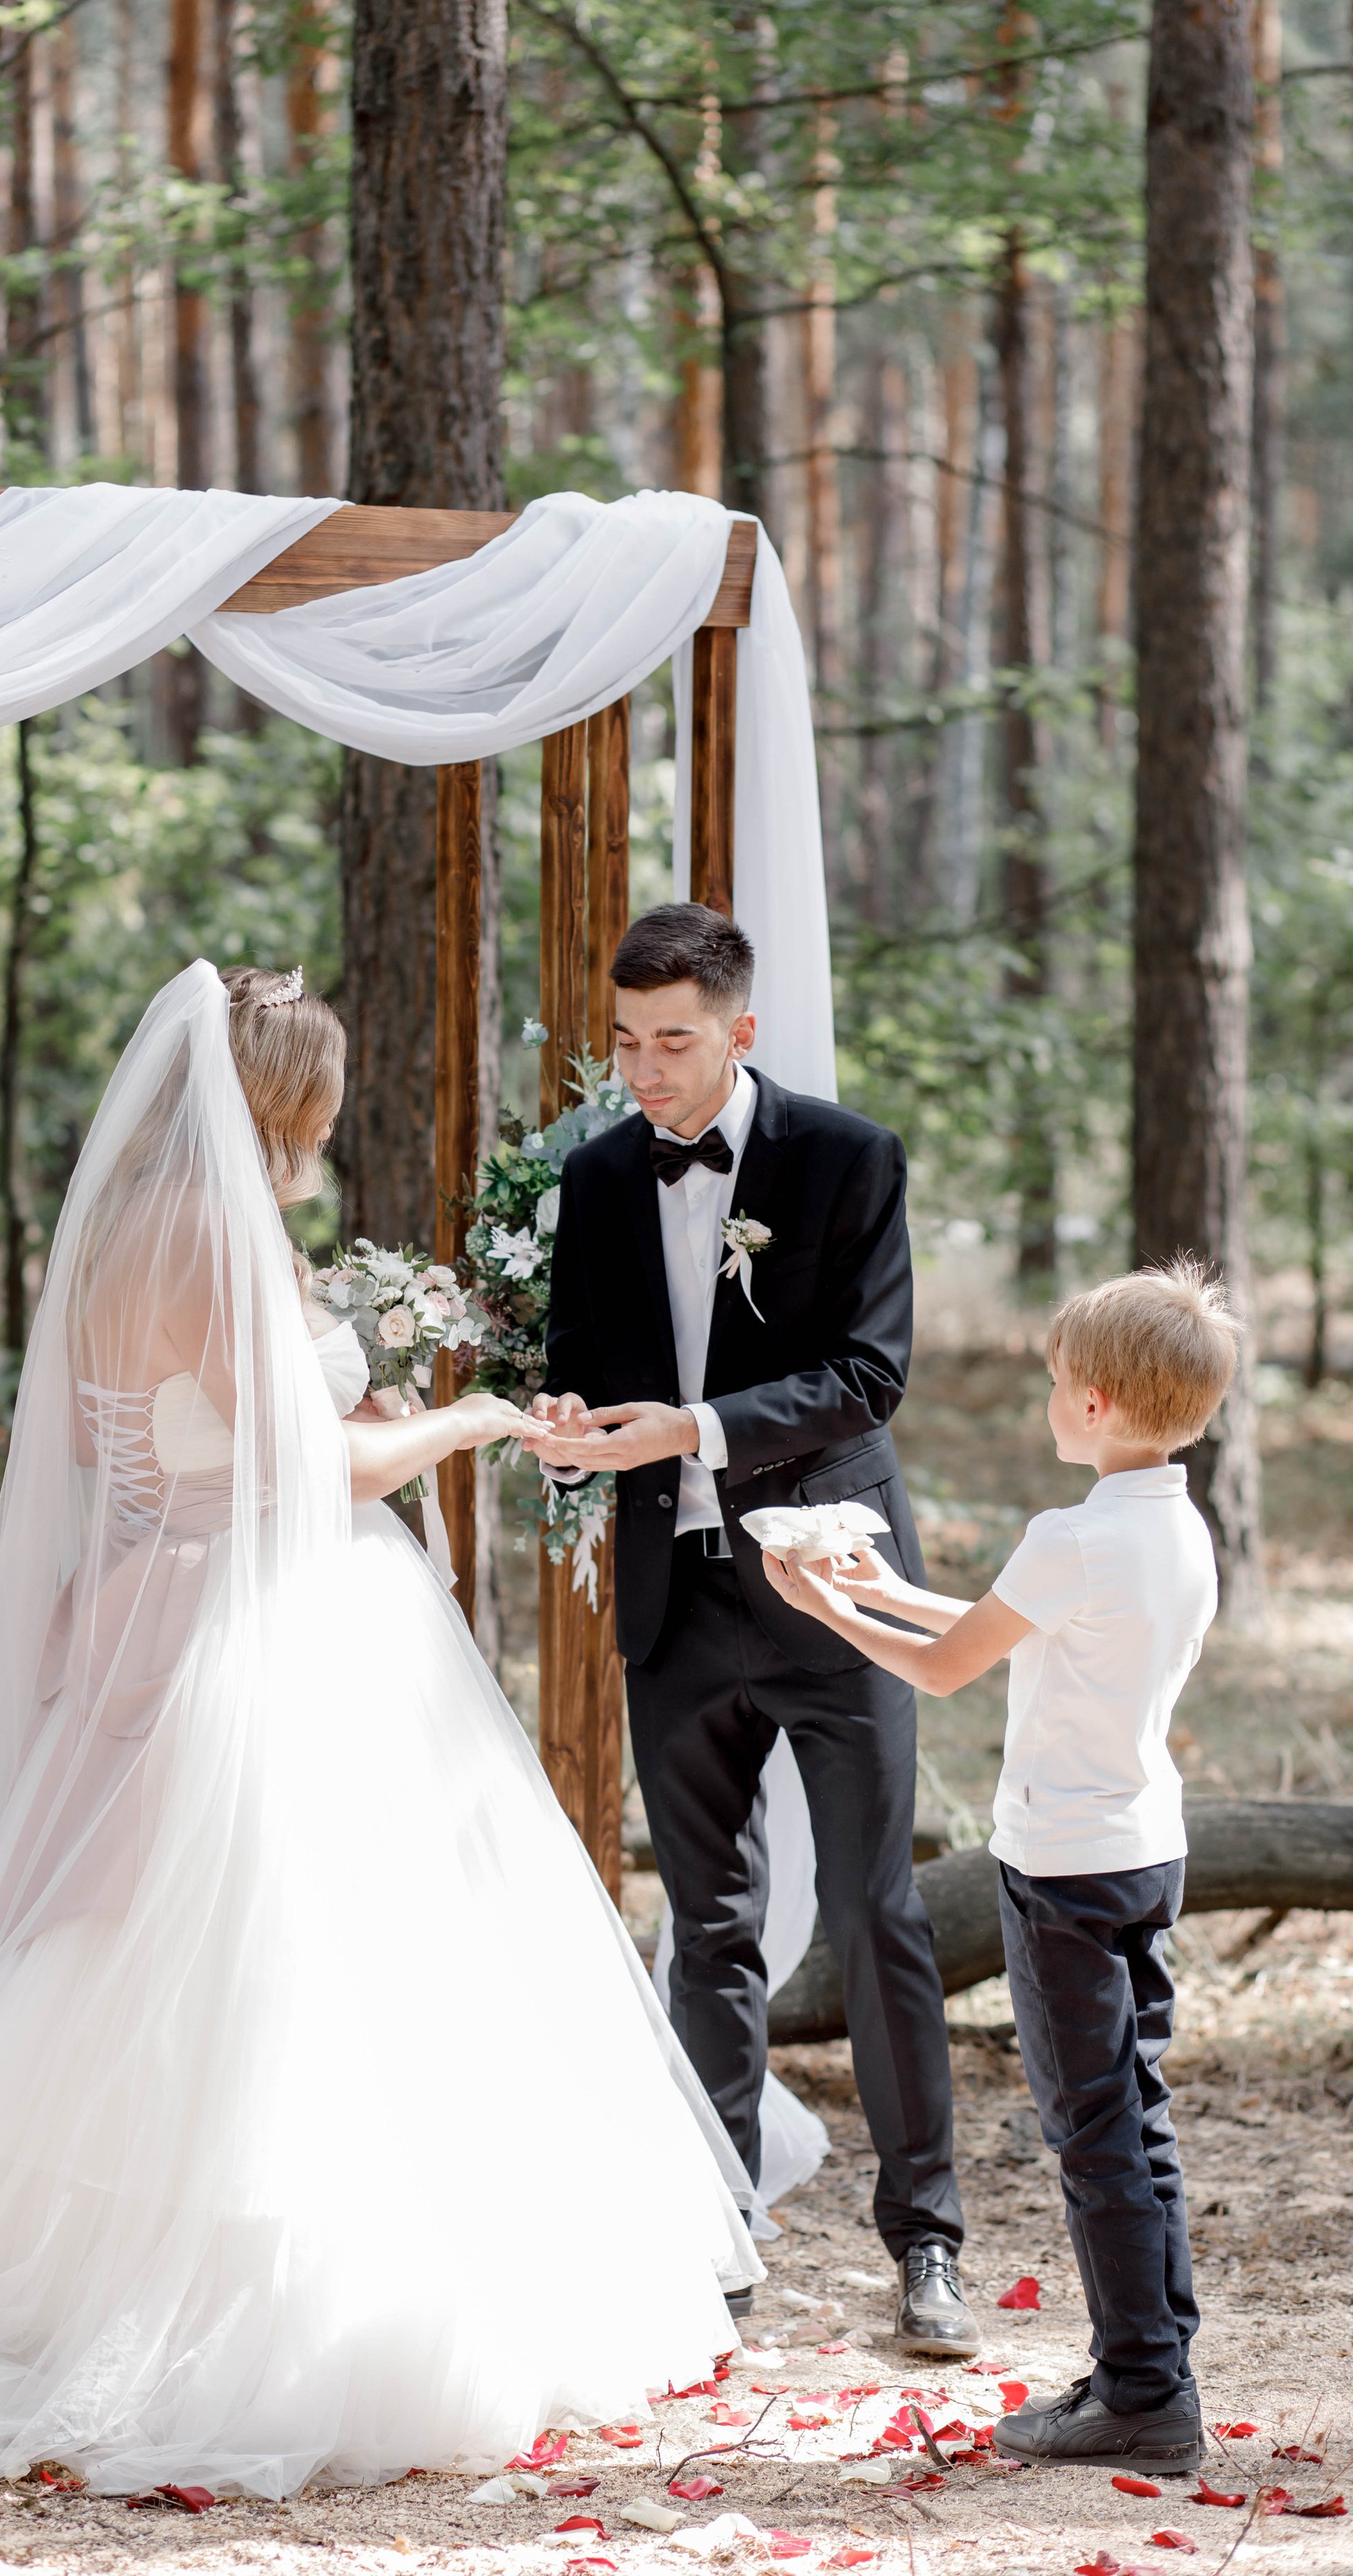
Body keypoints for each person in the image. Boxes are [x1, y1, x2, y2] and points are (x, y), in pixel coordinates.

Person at [0, 961, 762, 2495]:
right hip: (251, 1621)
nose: (326, 1127)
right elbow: (296, 1466)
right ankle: (229, 2280)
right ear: (279, 1102)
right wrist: (466, 1421)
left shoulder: (130, 1227)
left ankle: (106, 2227)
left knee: (136, 1945)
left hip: (142, 1600)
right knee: (268, 1958)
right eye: (316, 1104)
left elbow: (141, 1448)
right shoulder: (213, 1230)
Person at [536, 901, 976, 2358]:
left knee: (870, 1914)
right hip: (672, 1600)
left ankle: (926, 2248)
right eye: (624, 1043)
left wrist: (703, 1429)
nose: (643, 1072)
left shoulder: (845, 1160)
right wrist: (563, 1431)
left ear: (739, 1031)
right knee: (705, 1927)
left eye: (672, 1044)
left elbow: (867, 1373)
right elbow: (584, 1372)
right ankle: (719, 2235)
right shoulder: (596, 1179)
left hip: (837, 1589)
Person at [763, 1260, 1239, 2475]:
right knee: (1137, 2119)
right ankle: (1152, 2361)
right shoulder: (1177, 1528)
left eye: (1054, 1384)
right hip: (1144, 1850)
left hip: (1065, 1870)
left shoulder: (1070, 1536)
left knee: (1092, 2137)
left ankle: (1143, 2391)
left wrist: (827, 1609)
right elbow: (1000, 1622)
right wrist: (884, 1588)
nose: (1047, 1401)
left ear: (1094, 1406)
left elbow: (945, 1668)